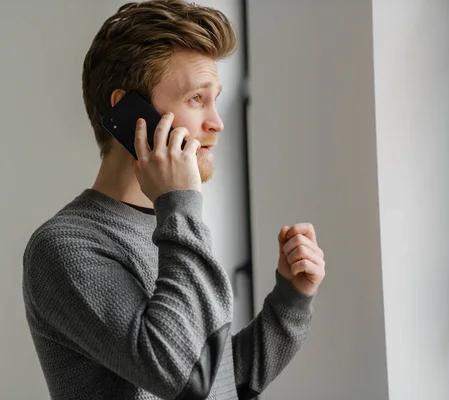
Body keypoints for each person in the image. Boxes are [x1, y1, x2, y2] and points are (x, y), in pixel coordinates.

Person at [22, 1, 326, 399]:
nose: (217, 122)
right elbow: (181, 375)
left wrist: (291, 298)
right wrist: (180, 204)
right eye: (197, 99)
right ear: (131, 113)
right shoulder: (65, 247)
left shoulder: (171, 225)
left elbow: (219, 382)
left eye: (215, 99)